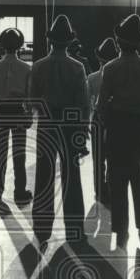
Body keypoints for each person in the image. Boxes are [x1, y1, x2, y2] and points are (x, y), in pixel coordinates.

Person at [97, 14, 140, 250]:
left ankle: (120, 230)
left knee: (116, 178)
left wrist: (107, 123)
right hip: (138, 126)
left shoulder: (111, 68)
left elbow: (102, 103)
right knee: (138, 175)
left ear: (119, 42)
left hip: (116, 125)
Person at [29, 14, 90, 248]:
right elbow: (83, 104)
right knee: (71, 177)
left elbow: (33, 98)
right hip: (69, 124)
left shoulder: (38, 66)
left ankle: (42, 227)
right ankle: (74, 228)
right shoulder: (77, 67)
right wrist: (82, 132)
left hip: (47, 123)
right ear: (69, 42)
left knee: (44, 176)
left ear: (51, 41)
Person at [0, 26, 33, 206]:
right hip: (18, 112)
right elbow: (29, 95)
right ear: (20, 45)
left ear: (2, 45)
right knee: (19, 155)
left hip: (1, 111)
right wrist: (28, 114)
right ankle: (20, 192)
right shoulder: (26, 68)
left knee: (0, 154)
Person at [87, 37, 117, 207]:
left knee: (98, 159)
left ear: (99, 58)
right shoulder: (119, 77)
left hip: (97, 119)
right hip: (115, 119)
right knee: (113, 157)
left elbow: (85, 102)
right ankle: (111, 188)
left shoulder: (92, 78)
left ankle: (99, 191)